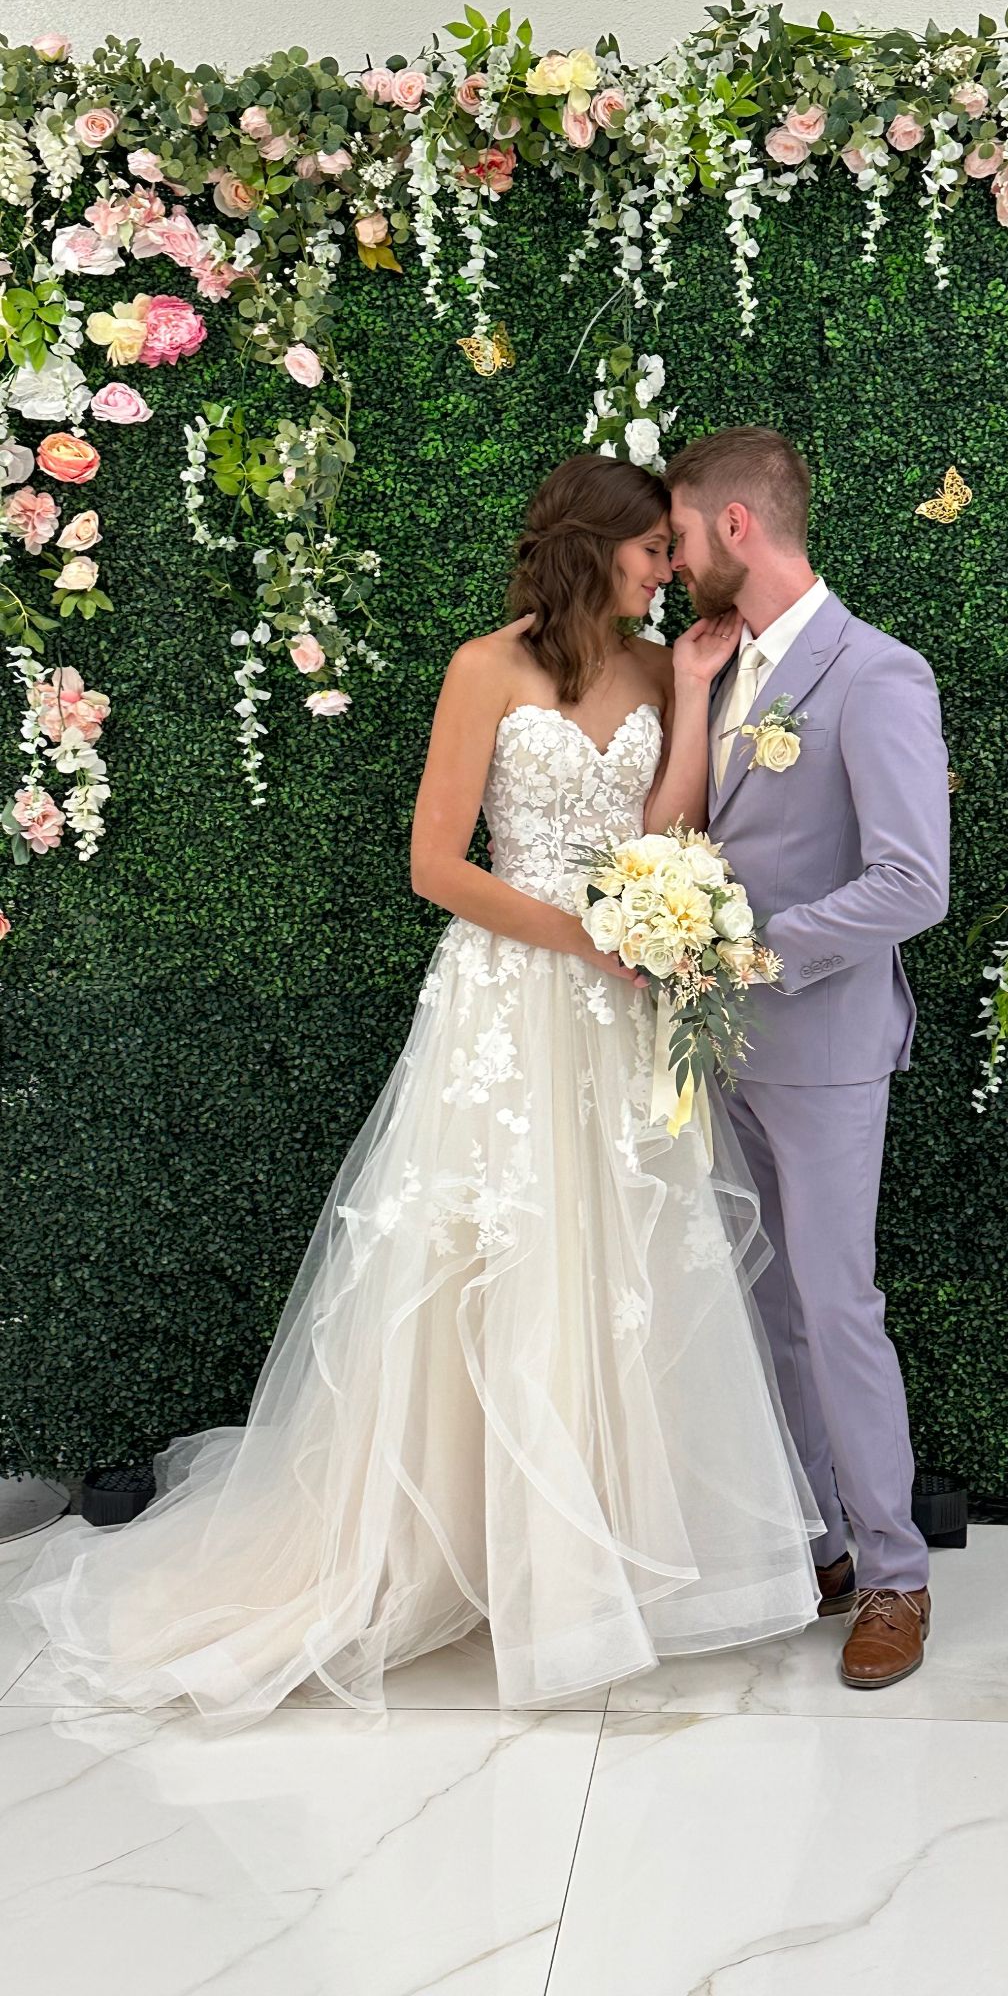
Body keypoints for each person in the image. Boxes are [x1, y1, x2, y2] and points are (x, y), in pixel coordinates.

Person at [12, 451, 823, 1730]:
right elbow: (436, 864)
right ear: (594, 544)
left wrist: (690, 697)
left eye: (673, 550)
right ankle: (462, 1552)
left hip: (616, 1006)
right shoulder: (482, 669)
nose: (670, 568)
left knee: (615, 1269)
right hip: (510, 1000)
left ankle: (594, 1560)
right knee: (491, 1262)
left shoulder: (658, 663)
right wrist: (587, 935)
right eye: (652, 548)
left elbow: (671, 829)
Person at [666, 426, 951, 1689]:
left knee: (837, 1305)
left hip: (823, 1042)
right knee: (768, 1304)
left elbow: (912, 883)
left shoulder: (877, 672)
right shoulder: (721, 668)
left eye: (677, 538)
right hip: (725, 1050)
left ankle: (897, 1575)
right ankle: (824, 1542)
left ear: (736, 528)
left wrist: (759, 950)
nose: (671, 564)